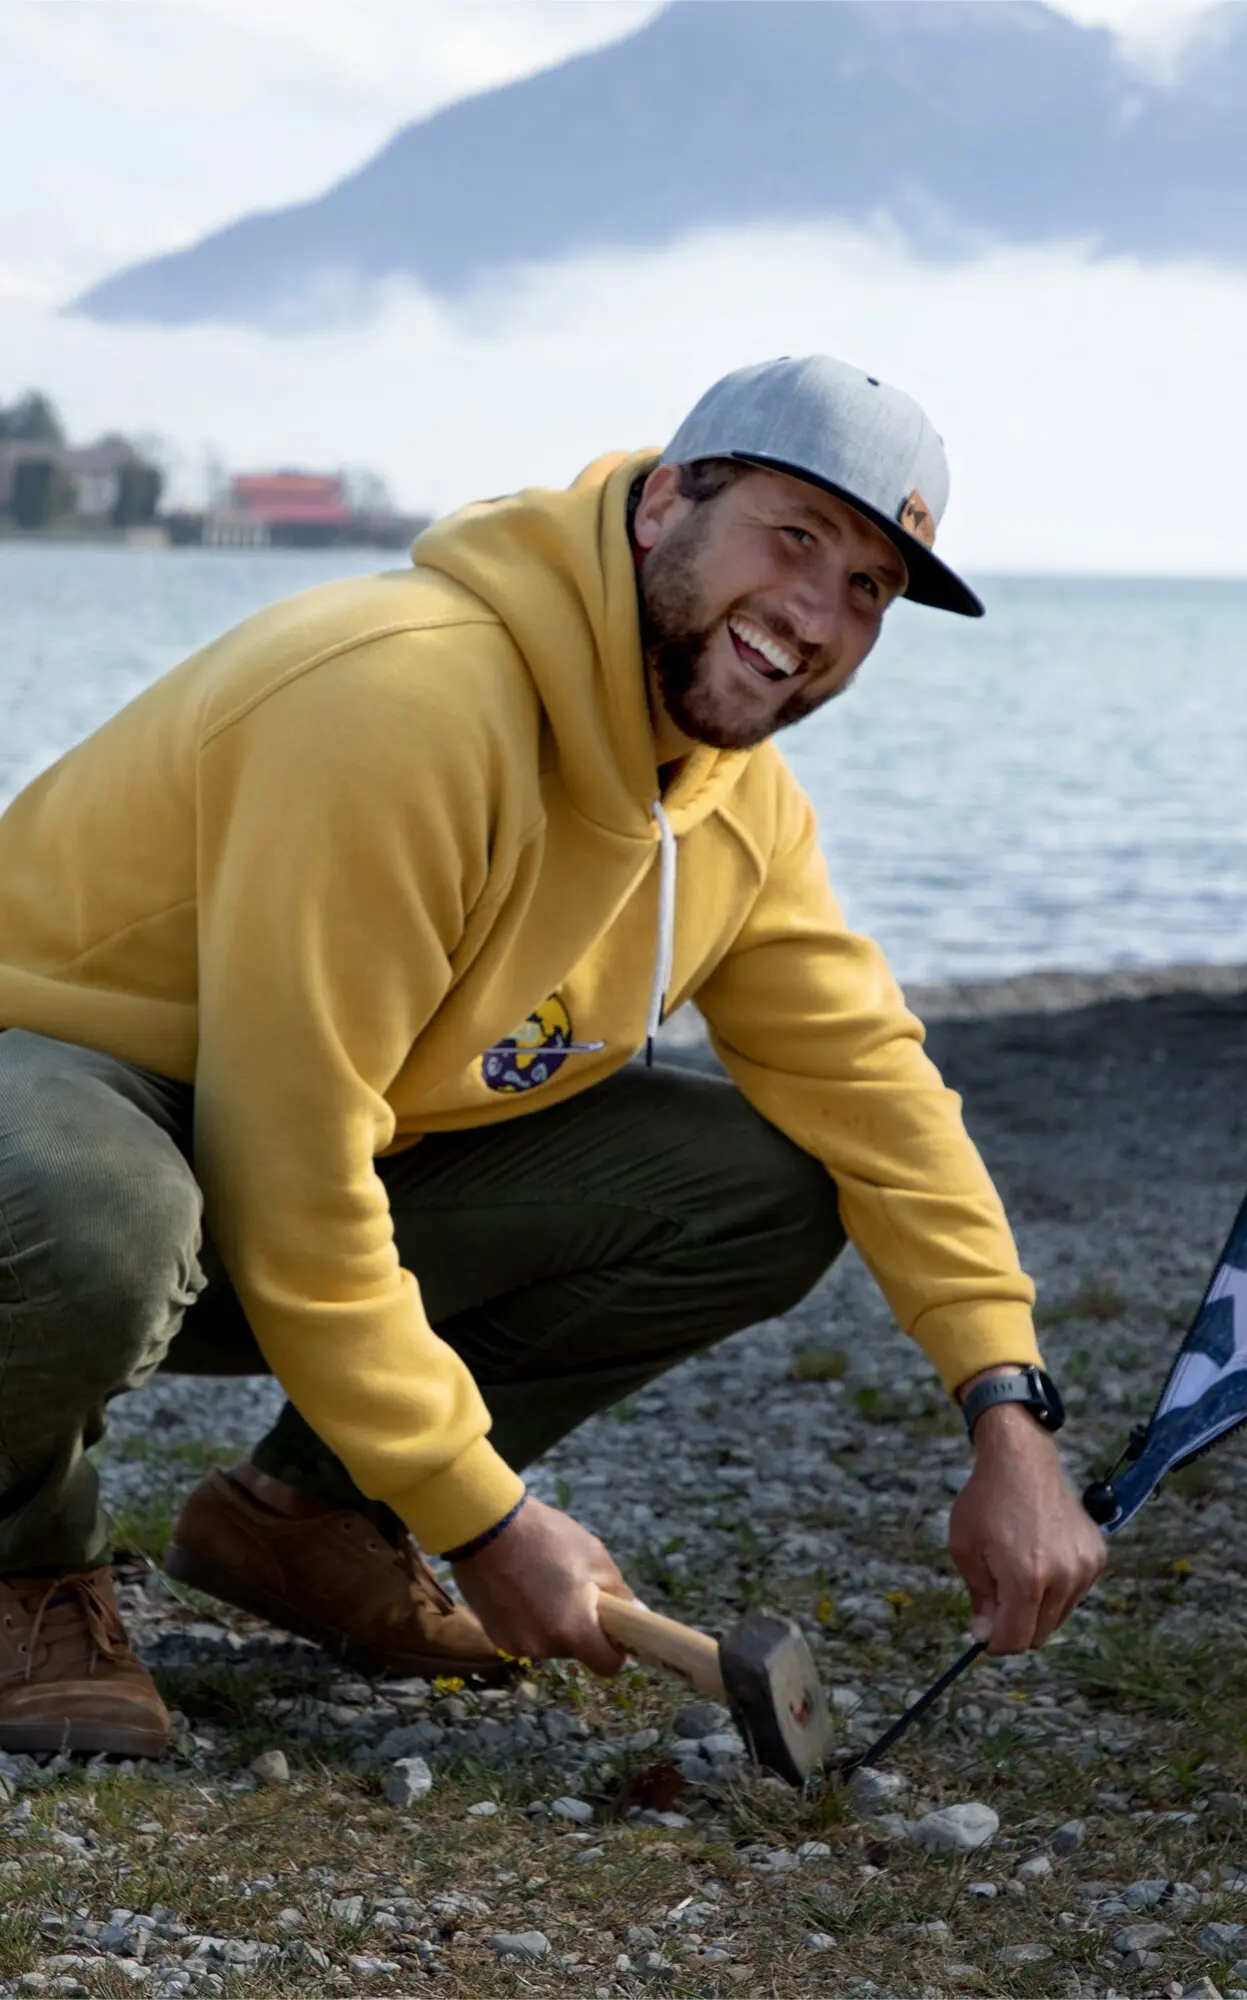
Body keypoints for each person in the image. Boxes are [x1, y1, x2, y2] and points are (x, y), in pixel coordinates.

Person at [0, 356, 1106, 1758]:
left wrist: (1009, 1415)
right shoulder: (403, 700)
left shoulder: (735, 809)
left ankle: (311, 1521)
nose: (819, 614)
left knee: (761, 1185)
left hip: (265, 1167)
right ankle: (21, 1569)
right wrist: (488, 1517)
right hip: (58, 1110)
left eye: (870, 589)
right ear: (663, 506)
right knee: (93, 1202)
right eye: (795, 537)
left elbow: (878, 1097)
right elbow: (288, 1169)